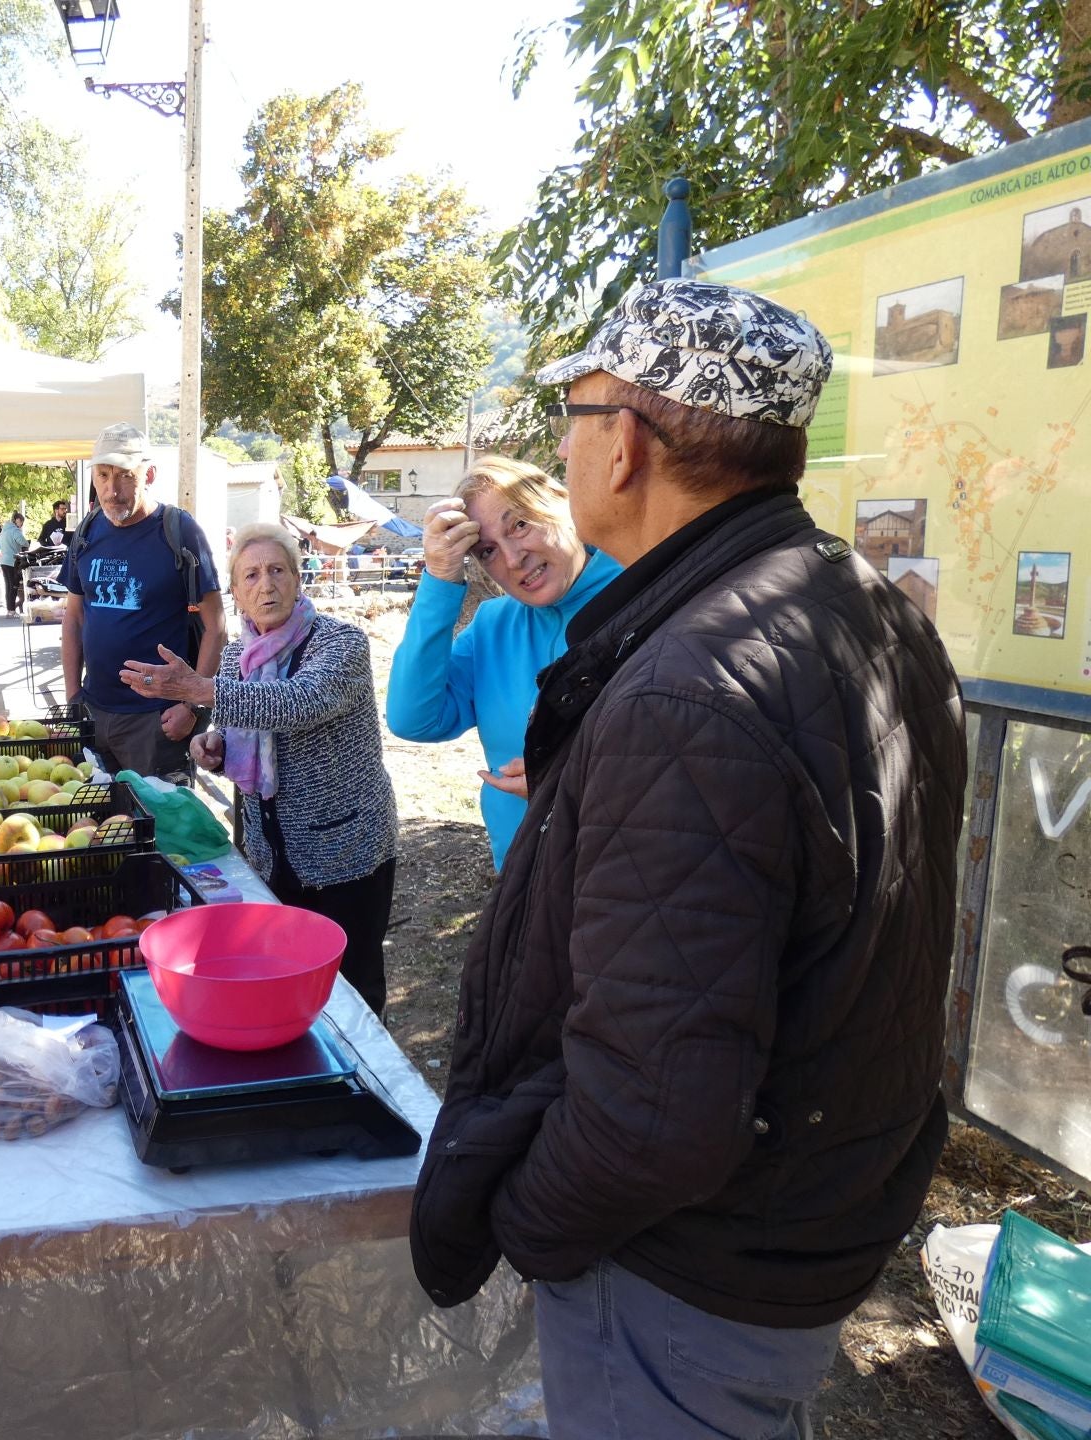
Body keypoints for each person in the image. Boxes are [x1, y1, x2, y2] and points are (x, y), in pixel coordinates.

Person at [408, 280, 965, 1440]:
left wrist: (525, 1221)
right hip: (809, 1214)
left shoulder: (690, 687)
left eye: (573, 408)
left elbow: (655, 1116)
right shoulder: (866, 605)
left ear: (626, 442)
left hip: (690, 1271)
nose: (560, 441)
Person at [125, 524, 399, 1014]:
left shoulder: (341, 644)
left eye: (276, 570)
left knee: (351, 987)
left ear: (298, 579)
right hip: (269, 852)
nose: (265, 585)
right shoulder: (236, 656)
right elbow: (238, 728)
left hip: (345, 851)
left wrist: (201, 691)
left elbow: (297, 703)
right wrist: (211, 746)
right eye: (250, 575)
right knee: (286, 976)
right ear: (235, 592)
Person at [385, 457, 622, 871]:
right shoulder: (493, 625)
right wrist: (440, 580)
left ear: (560, 504)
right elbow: (413, 719)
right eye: (488, 551)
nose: (513, 559)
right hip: (522, 876)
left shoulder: (641, 594)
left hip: (622, 875)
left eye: (520, 524)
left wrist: (570, 785)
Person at [60, 424, 226, 778]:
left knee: (161, 828)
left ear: (148, 474)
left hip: (158, 724)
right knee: (101, 827)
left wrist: (192, 706)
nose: (111, 490)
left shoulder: (179, 531)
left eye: (124, 476)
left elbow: (217, 627)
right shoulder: (87, 533)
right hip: (94, 714)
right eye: (102, 476)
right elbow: (73, 618)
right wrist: (74, 699)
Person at [0, 510, 29, 615]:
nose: (22, 525)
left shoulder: (4, 530)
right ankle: (11, 610)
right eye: (21, 522)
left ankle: (9, 609)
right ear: (17, 520)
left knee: (8, 586)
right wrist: (26, 544)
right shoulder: (15, 530)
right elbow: (23, 542)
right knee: (14, 586)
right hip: (12, 561)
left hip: (4, 561)